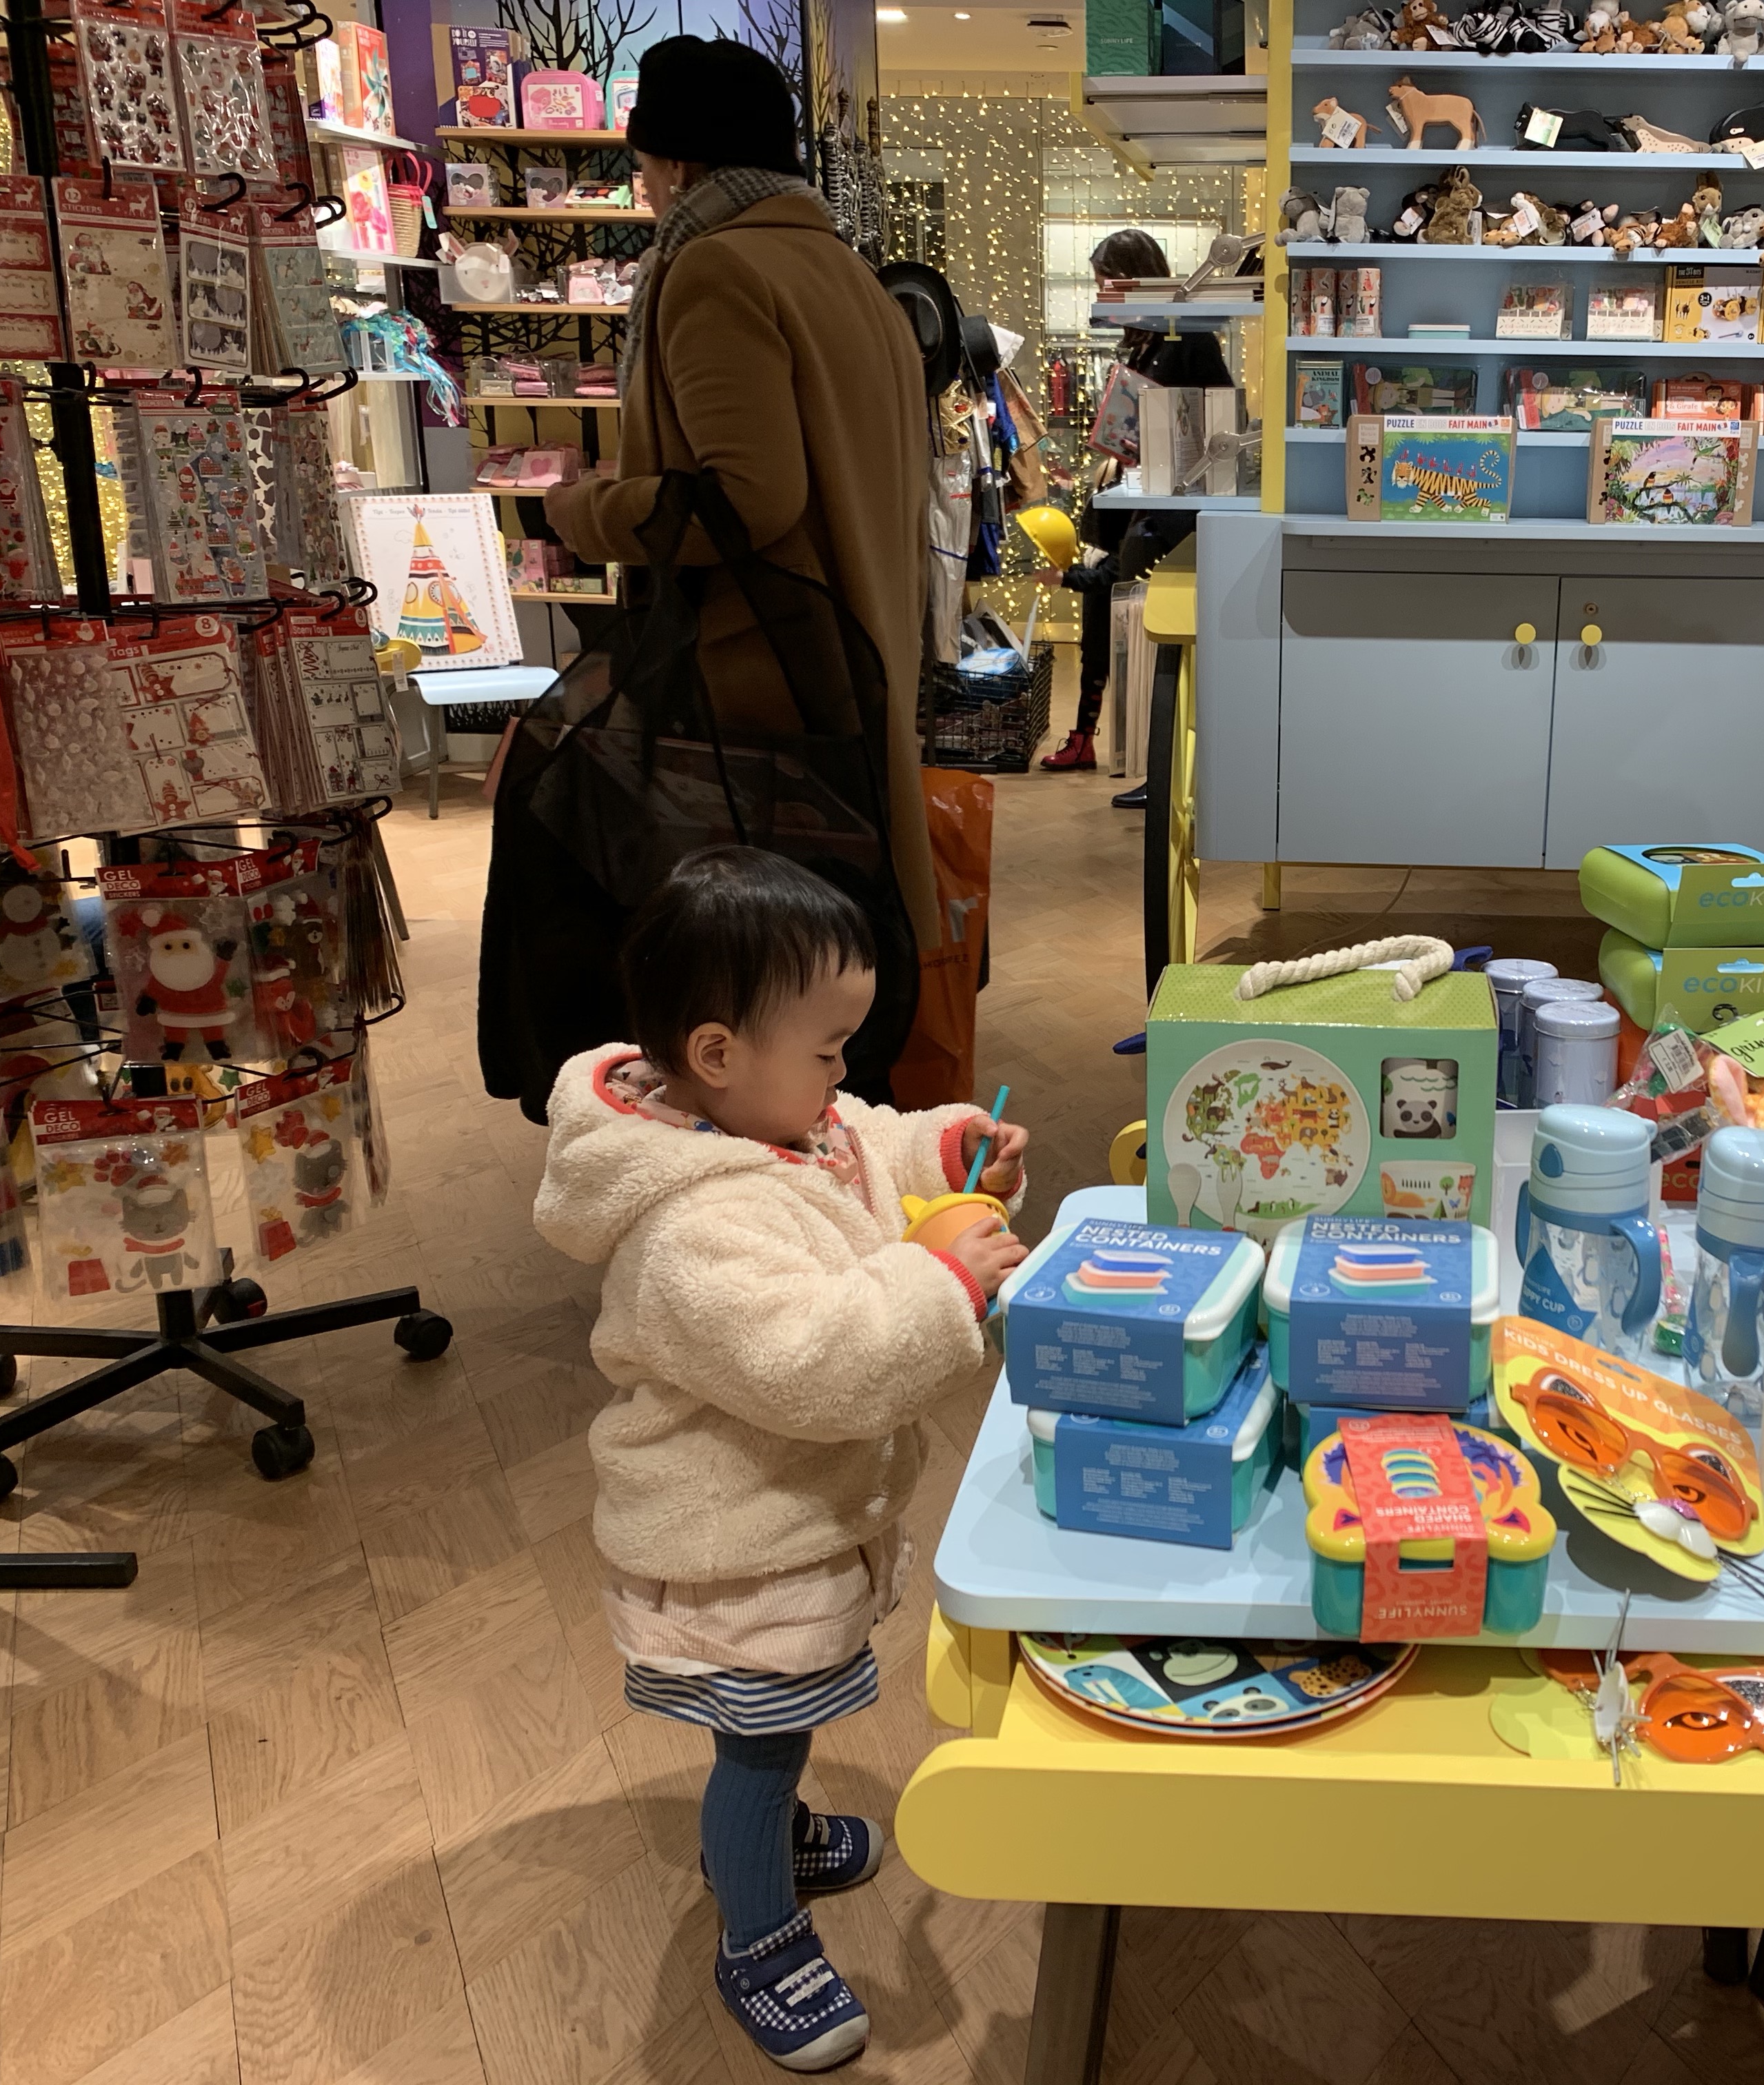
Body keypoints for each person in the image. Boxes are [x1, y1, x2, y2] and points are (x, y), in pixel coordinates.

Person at [535, 847, 1030, 2072]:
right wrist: (942, 1279)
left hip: (783, 1515)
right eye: (828, 1049)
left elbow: (861, 1146)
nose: (844, 1075)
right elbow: (819, 1364)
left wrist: (943, 1150)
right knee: (758, 1745)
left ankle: (766, 1837)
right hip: (734, 1543)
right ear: (717, 1053)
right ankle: (757, 1933)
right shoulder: (694, 1225)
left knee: (778, 1724)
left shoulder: (772, 1118)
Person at [543, 34, 940, 1069]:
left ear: (678, 162)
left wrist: (584, 512)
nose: (642, 189)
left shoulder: (716, 268)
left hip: (754, 683)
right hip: (848, 657)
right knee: (820, 955)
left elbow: (746, 499)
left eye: (642, 165)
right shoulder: (846, 273)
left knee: (746, 978)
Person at [1040, 228, 1232, 786]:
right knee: (1108, 626)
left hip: (1166, 509)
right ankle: (1104, 746)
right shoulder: (1147, 340)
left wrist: (1168, 442)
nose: (1103, 293)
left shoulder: (1186, 336)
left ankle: (1156, 767)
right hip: (1134, 498)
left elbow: (1220, 416)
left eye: (1108, 281)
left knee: (1146, 635)